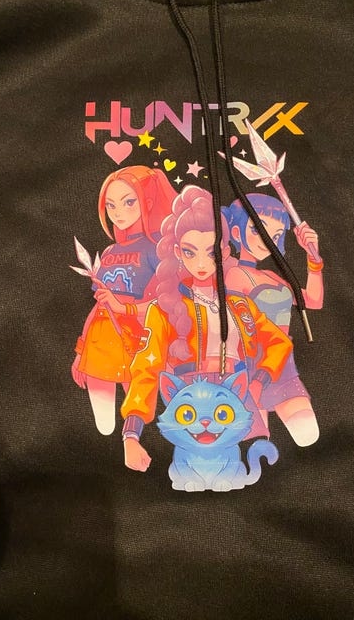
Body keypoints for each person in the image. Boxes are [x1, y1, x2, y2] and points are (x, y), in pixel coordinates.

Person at [120, 185, 293, 472]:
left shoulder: (239, 305)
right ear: (178, 252)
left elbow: (280, 342)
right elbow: (146, 369)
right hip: (193, 404)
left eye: (211, 253)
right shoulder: (163, 308)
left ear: (223, 250)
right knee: (197, 471)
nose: (201, 263)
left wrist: (259, 380)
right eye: (190, 252)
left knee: (251, 467)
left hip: (239, 398)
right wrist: (131, 434)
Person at [71, 165, 176, 435]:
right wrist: (81, 352)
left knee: (139, 416)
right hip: (99, 342)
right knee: (103, 427)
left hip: (135, 340)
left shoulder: (157, 249)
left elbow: (167, 301)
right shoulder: (108, 252)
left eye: (129, 202)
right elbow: (99, 305)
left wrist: (124, 307)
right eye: (111, 205)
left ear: (148, 203)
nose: (118, 213)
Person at [223, 194, 324, 447]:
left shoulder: (272, 275)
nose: (266, 240)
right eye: (258, 230)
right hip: (253, 361)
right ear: (236, 232)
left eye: (276, 235)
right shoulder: (235, 275)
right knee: (257, 441)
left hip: (283, 361)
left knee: (308, 434)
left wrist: (313, 260)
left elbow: (313, 300)